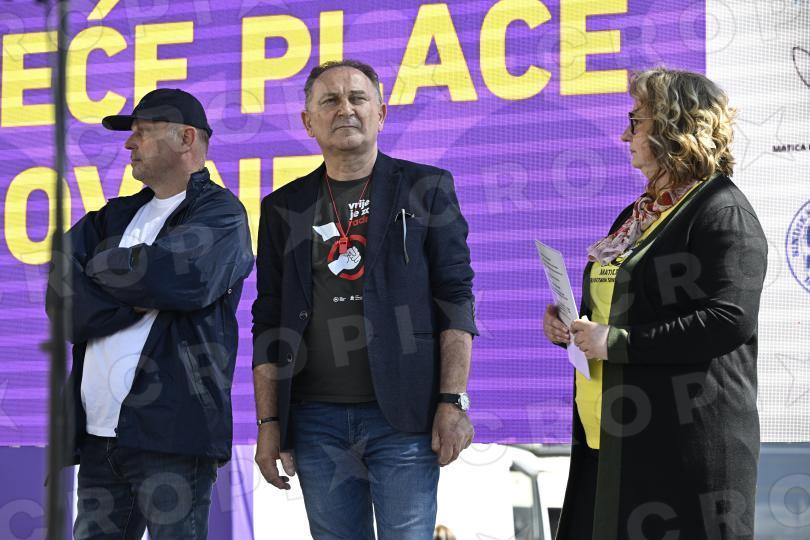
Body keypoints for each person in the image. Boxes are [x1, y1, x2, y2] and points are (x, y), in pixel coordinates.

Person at [251, 59, 478, 539]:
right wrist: (269, 421)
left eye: (358, 98)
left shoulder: (427, 188)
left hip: (404, 417)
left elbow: (455, 299)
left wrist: (453, 400)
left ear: (382, 112)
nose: (345, 109)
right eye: (329, 100)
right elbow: (268, 319)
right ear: (308, 121)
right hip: (314, 420)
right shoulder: (282, 207)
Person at [543, 68, 767, 540]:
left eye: (636, 121)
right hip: (616, 439)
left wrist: (616, 342)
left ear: (672, 127)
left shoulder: (722, 210)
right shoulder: (638, 214)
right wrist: (571, 324)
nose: (625, 135)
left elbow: (728, 320)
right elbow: (624, 306)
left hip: (686, 447)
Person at [45, 88, 254, 539]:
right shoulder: (115, 216)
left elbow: (178, 278)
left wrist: (101, 274)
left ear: (186, 138)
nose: (129, 143)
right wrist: (137, 292)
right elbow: (61, 300)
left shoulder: (221, 214)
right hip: (99, 438)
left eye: (142, 132)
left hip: (172, 439)